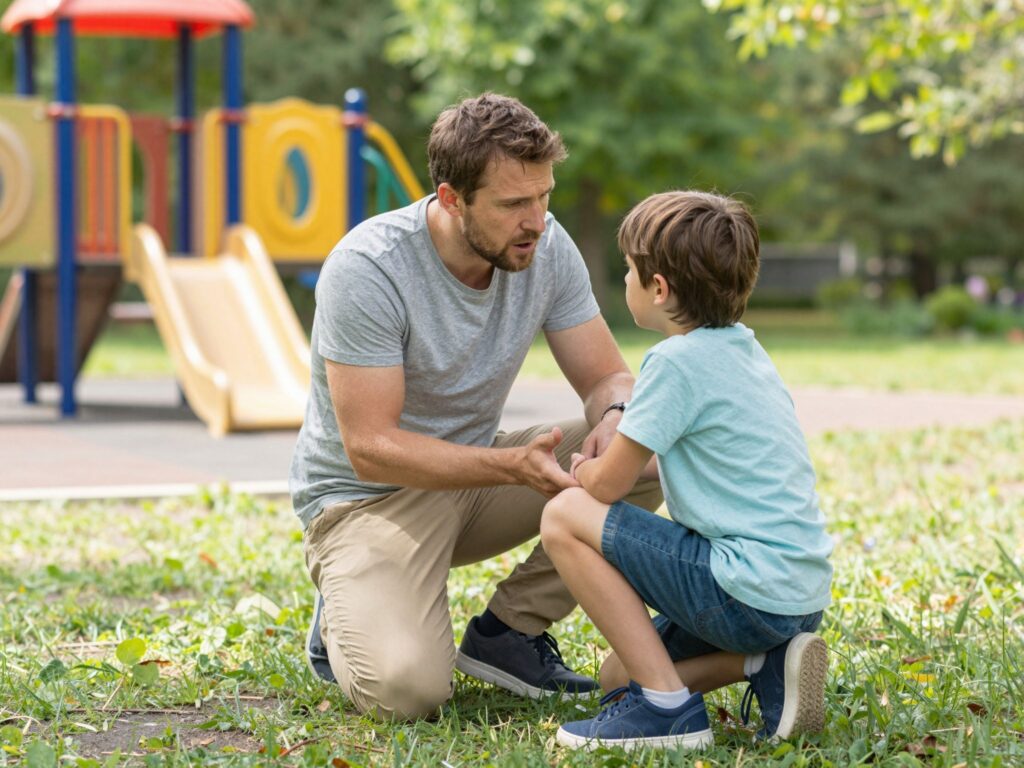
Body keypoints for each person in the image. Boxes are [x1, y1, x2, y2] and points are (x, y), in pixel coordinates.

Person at [289, 93, 662, 720]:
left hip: (474, 479)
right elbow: (371, 446)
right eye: (514, 204)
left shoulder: (546, 245)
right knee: (409, 691)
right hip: (365, 499)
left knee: (645, 456)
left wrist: (615, 420)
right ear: (451, 197)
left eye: (543, 196)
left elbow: (607, 377)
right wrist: (512, 466)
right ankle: (348, 606)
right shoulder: (369, 268)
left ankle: (508, 634)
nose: (536, 221)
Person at [540, 190, 833, 750]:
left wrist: (581, 469)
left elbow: (609, 485)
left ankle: (670, 712)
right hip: (794, 598)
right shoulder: (744, 350)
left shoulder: (674, 362)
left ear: (658, 288)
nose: (624, 280)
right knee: (617, 677)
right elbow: (679, 460)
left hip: (742, 589)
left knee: (563, 516)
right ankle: (763, 664)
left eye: (628, 270)